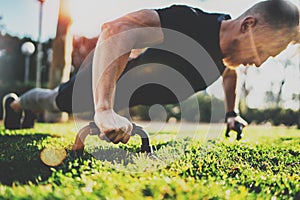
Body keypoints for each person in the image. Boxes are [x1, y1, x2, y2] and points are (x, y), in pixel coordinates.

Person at [2, 0, 299, 143]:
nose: (260, 63)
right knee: (55, 99)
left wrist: (231, 113)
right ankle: (15, 105)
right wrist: (103, 108)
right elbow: (115, 29)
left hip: (126, 103)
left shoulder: (226, 55)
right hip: (108, 82)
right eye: (265, 52)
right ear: (248, 25)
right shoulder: (190, 23)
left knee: (57, 99)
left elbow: (229, 74)